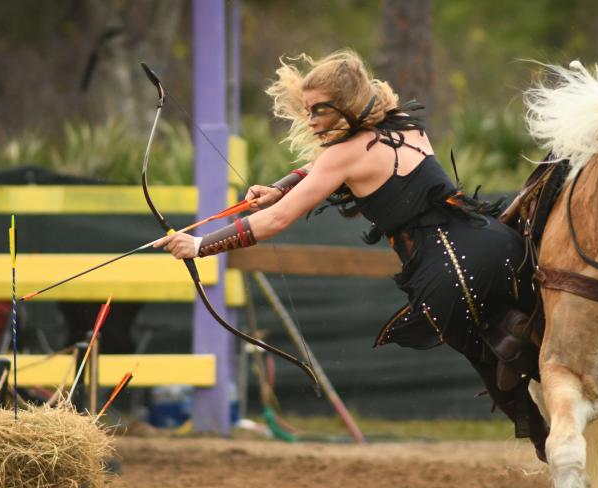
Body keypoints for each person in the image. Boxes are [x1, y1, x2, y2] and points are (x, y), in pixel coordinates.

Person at [155, 50, 547, 459]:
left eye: (318, 111)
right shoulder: (405, 123)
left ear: (344, 106)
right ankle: (528, 346)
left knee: (498, 370)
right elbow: (324, 170)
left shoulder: (343, 155)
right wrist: (280, 186)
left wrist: (200, 246)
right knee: (532, 343)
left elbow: (275, 221)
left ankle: (539, 429)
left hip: (450, 276)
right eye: (307, 111)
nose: (309, 121)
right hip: (497, 242)